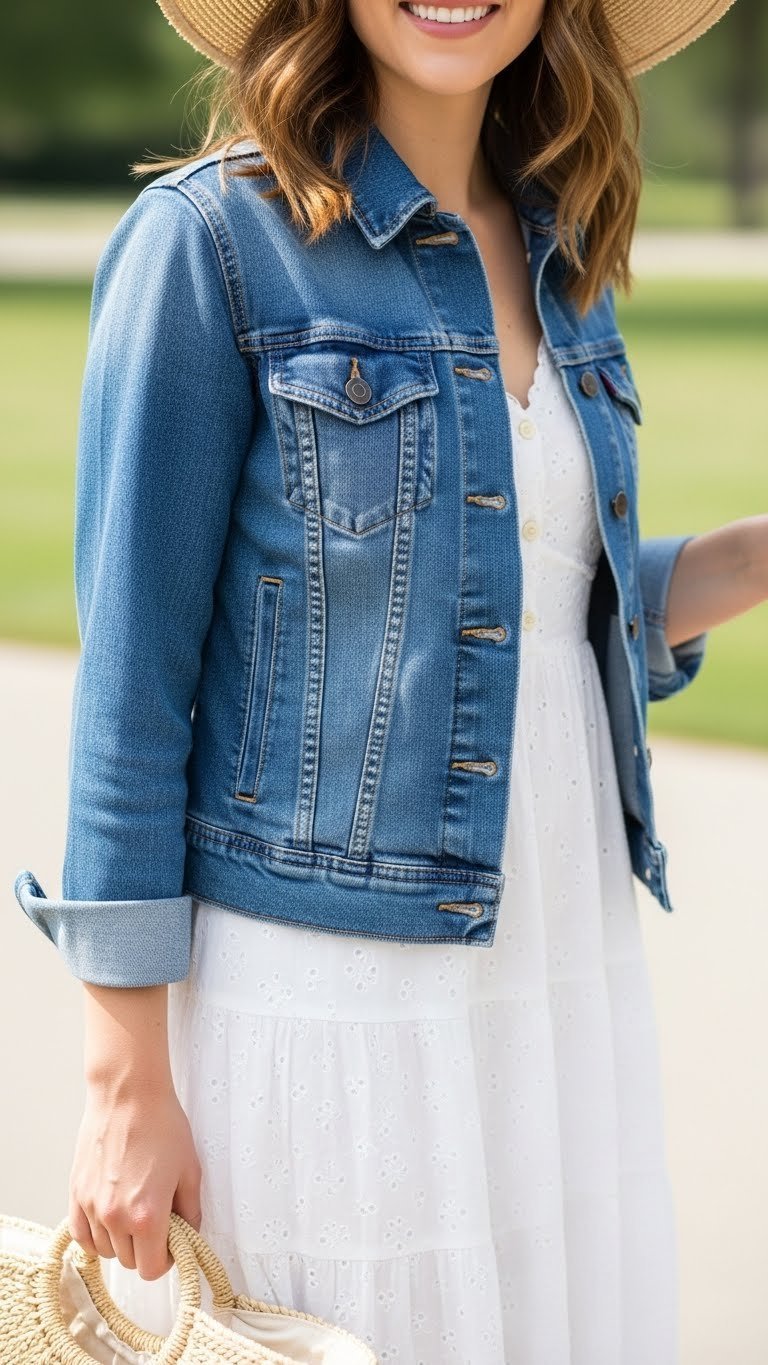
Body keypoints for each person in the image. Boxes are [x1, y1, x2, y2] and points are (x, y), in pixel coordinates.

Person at [13, 0, 767, 1360]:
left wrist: (756, 553)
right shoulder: (210, 246)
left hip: (557, 952)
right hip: (341, 993)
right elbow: (132, 685)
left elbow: (539, 620)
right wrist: (124, 1077)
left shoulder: (561, 252)